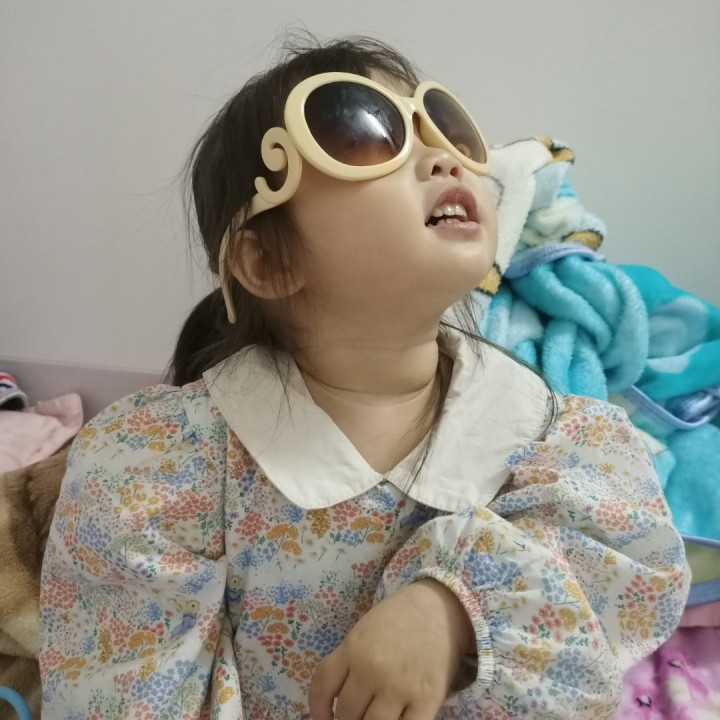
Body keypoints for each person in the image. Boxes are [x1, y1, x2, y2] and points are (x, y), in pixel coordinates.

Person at [40, 35, 690, 720]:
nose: (442, 156)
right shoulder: (159, 471)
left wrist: (455, 607)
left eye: (445, 125)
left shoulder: (555, 439)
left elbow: (624, 582)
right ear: (267, 263)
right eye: (363, 132)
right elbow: (123, 689)